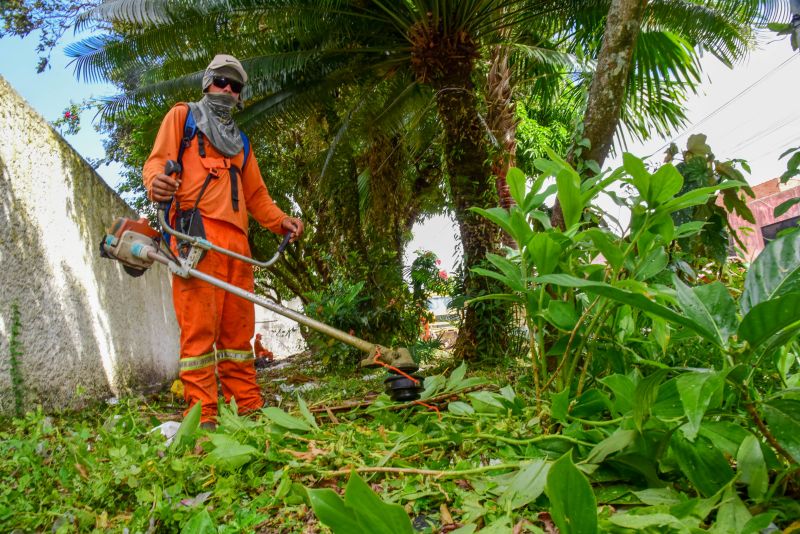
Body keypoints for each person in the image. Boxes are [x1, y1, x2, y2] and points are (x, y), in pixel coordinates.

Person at [143, 54, 304, 428]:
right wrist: (156, 182)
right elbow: (155, 163)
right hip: (197, 239)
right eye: (222, 82)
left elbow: (257, 197)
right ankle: (203, 417)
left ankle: (246, 407)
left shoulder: (241, 143)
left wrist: (282, 221)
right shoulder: (182, 118)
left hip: (239, 249)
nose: (228, 90)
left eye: (236, 86)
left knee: (238, 335)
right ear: (207, 82)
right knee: (199, 333)